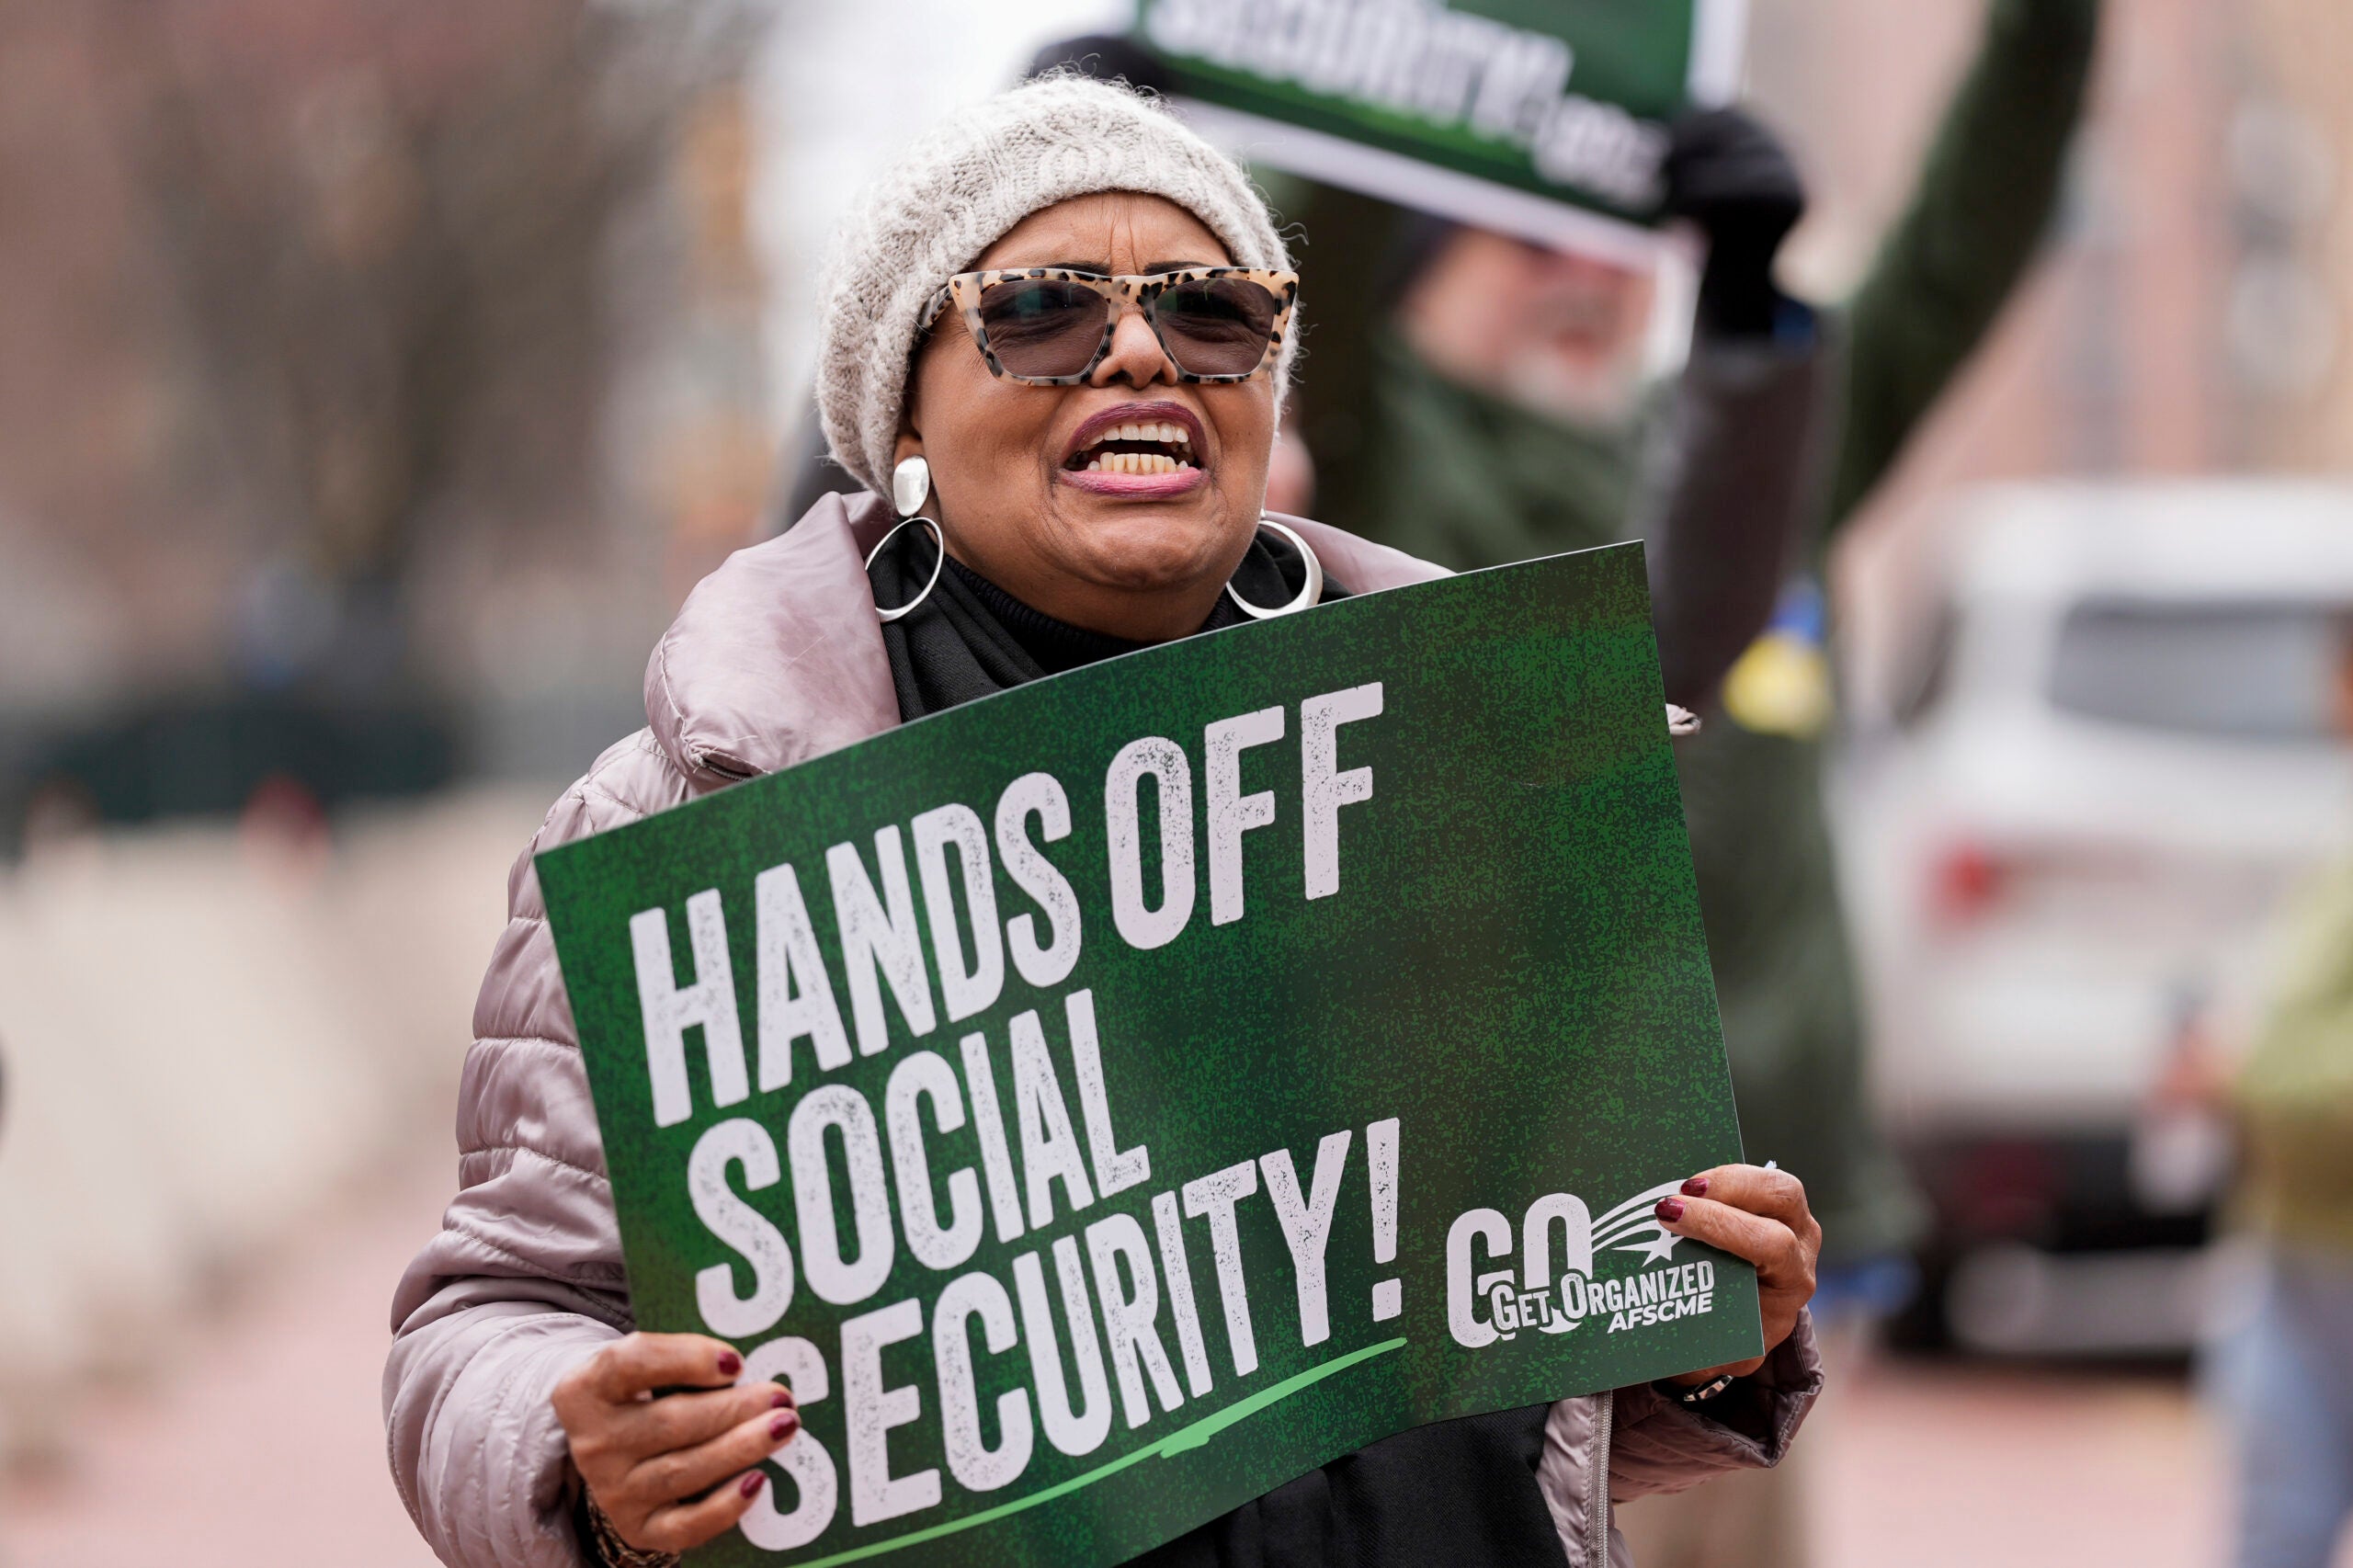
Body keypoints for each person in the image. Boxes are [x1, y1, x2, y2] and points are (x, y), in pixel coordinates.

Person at [384, 76, 1824, 1568]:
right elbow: (488, 1313)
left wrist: (1702, 1325)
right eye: (1043, 310)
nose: (1140, 349)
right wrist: (579, 1442)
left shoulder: (1480, 769)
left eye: (1213, 313)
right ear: (905, 409)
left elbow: (1517, 1389)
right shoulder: (697, 814)